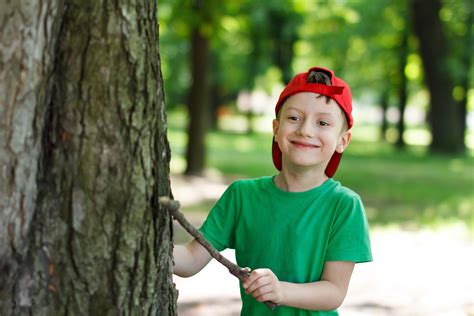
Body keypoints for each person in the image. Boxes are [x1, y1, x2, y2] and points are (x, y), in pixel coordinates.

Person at [173, 66, 372, 316]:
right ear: (276, 129)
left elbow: (334, 292)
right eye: (294, 118)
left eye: (322, 122)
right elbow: (191, 259)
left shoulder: (344, 205)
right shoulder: (242, 197)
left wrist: (282, 291)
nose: (306, 130)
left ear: (343, 140)